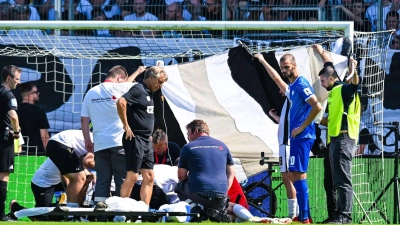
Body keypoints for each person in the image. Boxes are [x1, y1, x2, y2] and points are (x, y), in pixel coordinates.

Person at [254, 53, 322, 223]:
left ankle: (304, 217)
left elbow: (317, 106)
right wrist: (262, 61)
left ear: (295, 64)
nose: (284, 70)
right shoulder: (292, 87)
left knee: (297, 176)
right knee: (298, 176)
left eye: (286, 67)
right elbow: (276, 78)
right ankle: (304, 216)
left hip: (303, 136)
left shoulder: (301, 83)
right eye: (282, 68)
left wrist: (302, 127)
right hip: (298, 137)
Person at [81, 65, 145, 205]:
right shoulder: (121, 88)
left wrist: (87, 140)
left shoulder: (91, 92)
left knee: (103, 179)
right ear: (120, 78)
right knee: (121, 178)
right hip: (119, 143)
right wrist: (138, 72)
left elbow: (84, 119)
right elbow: (132, 85)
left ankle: (100, 211)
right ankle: (119, 212)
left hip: (99, 144)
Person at [313, 44, 361, 224]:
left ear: (331, 78)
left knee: (343, 181)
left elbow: (355, 84)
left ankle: (345, 216)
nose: (322, 84)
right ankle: (337, 215)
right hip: (334, 141)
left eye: (323, 81)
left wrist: (353, 69)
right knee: (334, 182)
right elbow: (331, 121)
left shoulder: (343, 89)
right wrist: (316, 118)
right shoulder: (334, 92)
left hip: (344, 139)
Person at [116, 66, 167, 207]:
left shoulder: (151, 92)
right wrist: (126, 126)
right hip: (135, 139)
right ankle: (121, 212)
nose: (160, 85)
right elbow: (121, 102)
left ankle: (143, 210)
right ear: (151, 78)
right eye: (159, 82)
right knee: (132, 176)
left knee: (149, 177)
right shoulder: (138, 89)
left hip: (146, 140)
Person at [176, 119, 235, 222]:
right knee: (214, 213)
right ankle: (214, 213)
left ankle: (197, 212)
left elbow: (181, 176)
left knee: (178, 187)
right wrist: (225, 191)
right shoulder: (223, 146)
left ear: (196, 131)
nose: (188, 137)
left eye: (188, 133)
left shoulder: (188, 147)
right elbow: (231, 172)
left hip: (199, 193)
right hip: (221, 196)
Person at [8, 153, 95, 221]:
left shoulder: (82, 154)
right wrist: (71, 197)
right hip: (43, 183)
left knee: (83, 181)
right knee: (41, 218)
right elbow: (64, 176)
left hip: (57, 182)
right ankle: (16, 208)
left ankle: (75, 212)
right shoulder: (66, 154)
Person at [45, 130, 94, 209]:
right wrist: (106, 169)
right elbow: (87, 161)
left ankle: (74, 210)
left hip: (54, 144)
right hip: (60, 144)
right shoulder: (102, 142)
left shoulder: (95, 138)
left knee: (81, 178)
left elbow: (84, 161)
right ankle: (71, 212)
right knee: (79, 178)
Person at [268, 89, 298, 219]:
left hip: (286, 144)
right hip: (285, 144)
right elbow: (286, 122)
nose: (279, 90)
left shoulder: (292, 99)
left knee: (288, 179)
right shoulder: (287, 102)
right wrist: (274, 117)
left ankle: (294, 215)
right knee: (291, 179)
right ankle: (298, 214)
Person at [0, 65, 21, 221]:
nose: (18, 82)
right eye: (17, 79)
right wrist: (17, 133)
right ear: (9, 78)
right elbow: (13, 116)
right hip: (4, 139)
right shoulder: (8, 94)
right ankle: (1, 216)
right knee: (3, 176)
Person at [18, 82, 50, 154]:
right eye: (36, 92)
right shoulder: (39, 112)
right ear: (30, 95)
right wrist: (50, 155)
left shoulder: (15, 111)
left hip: (17, 153)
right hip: (36, 154)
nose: (39, 93)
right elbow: (45, 138)